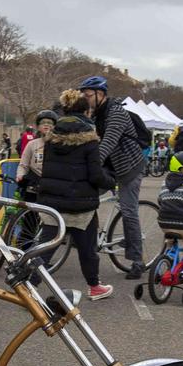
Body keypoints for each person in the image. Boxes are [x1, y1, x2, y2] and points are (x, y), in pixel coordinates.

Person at [38, 90, 118, 300]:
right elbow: (95, 175)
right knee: (87, 249)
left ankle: (27, 286)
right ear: (86, 111)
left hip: (53, 203)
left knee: (45, 248)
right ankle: (94, 287)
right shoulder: (90, 140)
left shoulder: (51, 138)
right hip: (81, 205)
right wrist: (111, 182)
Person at [79, 75, 148, 275]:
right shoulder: (95, 115)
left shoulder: (116, 112)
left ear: (101, 94)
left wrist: (92, 165)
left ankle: (137, 261)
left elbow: (107, 143)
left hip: (130, 167)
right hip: (110, 167)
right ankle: (87, 239)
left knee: (128, 210)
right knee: (84, 195)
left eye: (88, 95)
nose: (86, 99)